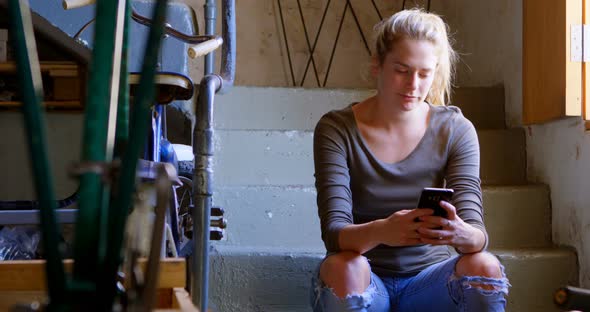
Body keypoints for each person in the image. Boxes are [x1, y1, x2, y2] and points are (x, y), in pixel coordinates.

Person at [310, 8, 510, 312]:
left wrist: (461, 233)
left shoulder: (455, 129)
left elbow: (477, 236)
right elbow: (334, 234)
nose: (413, 85)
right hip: (366, 279)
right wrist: (382, 231)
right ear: (377, 65)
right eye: (401, 70)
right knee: (346, 267)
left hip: (427, 283)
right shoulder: (336, 128)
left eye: (424, 73)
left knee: (484, 266)